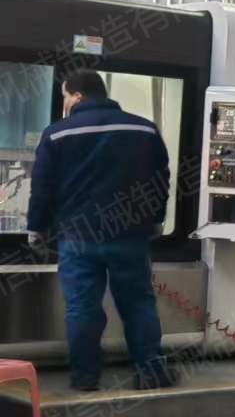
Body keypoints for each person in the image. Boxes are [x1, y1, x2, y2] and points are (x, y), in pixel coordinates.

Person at [26, 69, 175, 390]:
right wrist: (156, 219)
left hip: (78, 237)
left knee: (82, 306)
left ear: (77, 96)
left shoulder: (56, 134)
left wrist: (36, 228)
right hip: (130, 235)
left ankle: (85, 376)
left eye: (65, 97)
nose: (65, 104)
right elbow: (160, 181)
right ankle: (151, 373)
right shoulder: (144, 128)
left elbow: (42, 187)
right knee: (138, 304)